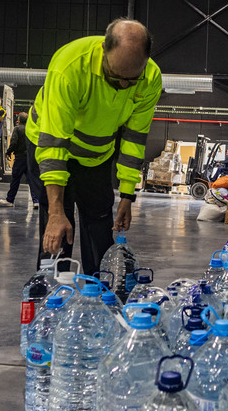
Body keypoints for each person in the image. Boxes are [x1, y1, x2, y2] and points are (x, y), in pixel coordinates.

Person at [25, 18, 162, 274]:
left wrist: (127, 195)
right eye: (116, 77)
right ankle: (56, 293)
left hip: (96, 156)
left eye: (131, 80)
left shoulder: (150, 78)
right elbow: (54, 142)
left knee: (100, 224)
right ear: (103, 51)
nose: (124, 85)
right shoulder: (69, 67)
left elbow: (134, 139)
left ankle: (98, 293)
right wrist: (55, 212)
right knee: (59, 228)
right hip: (52, 147)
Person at [0, 112, 39, 207]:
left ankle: (10, 200)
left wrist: (8, 152)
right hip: (30, 158)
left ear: (19, 120)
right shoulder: (31, 129)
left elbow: (14, 143)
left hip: (20, 158)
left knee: (15, 180)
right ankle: (36, 201)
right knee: (31, 180)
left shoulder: (17, 129)